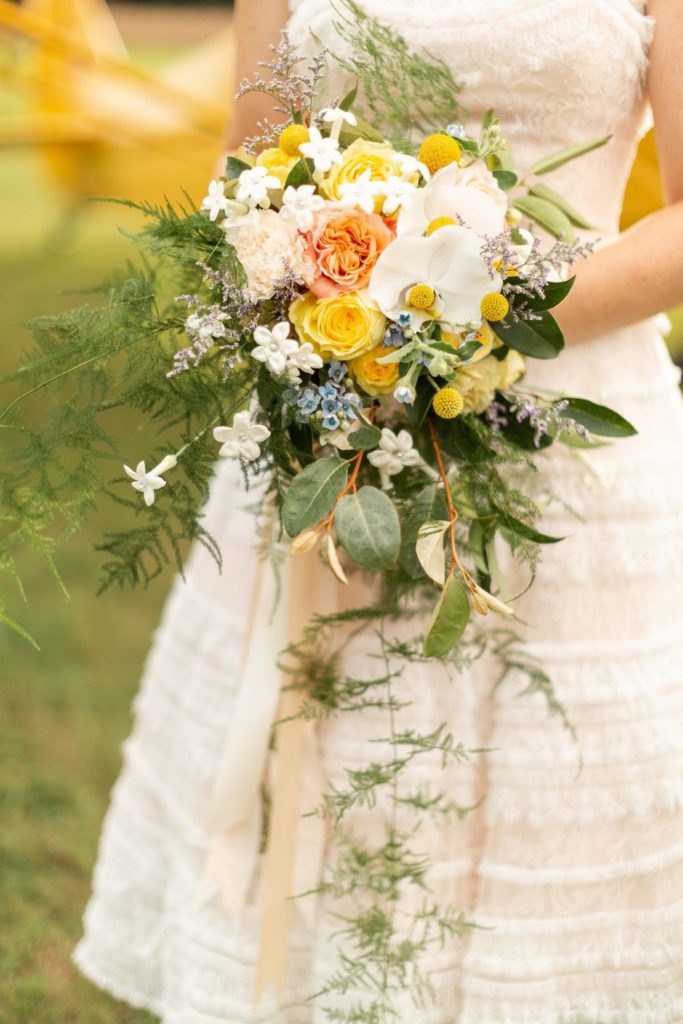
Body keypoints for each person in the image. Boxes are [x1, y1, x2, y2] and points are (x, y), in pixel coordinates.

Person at [74, 1, 683, 1021]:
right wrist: (305, 304)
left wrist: (468, 313)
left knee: (545, 778)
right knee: (331, 771)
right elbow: (248, 161)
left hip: (568, 445)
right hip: (331, 423)